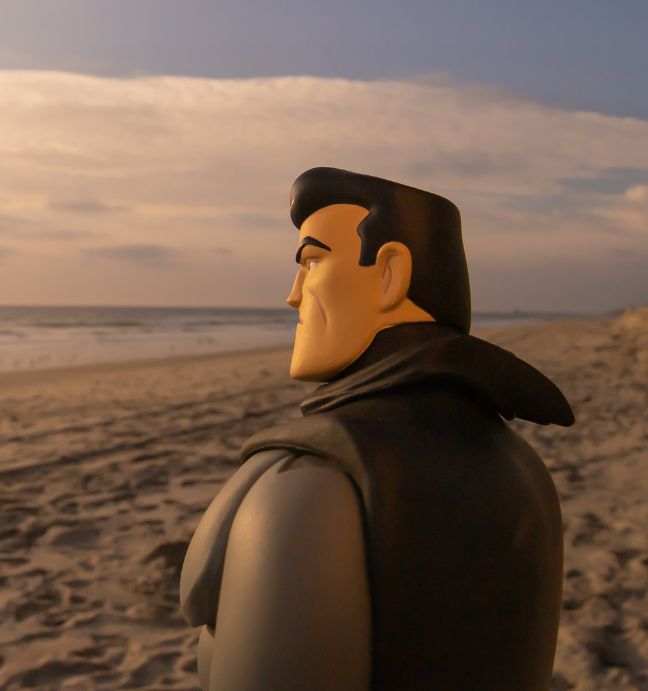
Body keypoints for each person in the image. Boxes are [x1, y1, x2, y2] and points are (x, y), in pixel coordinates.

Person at [179, 168, 575, 690]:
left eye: (312, 261)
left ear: (390, 274)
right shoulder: (521, 462)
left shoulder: (310, 485)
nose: (293, 295)